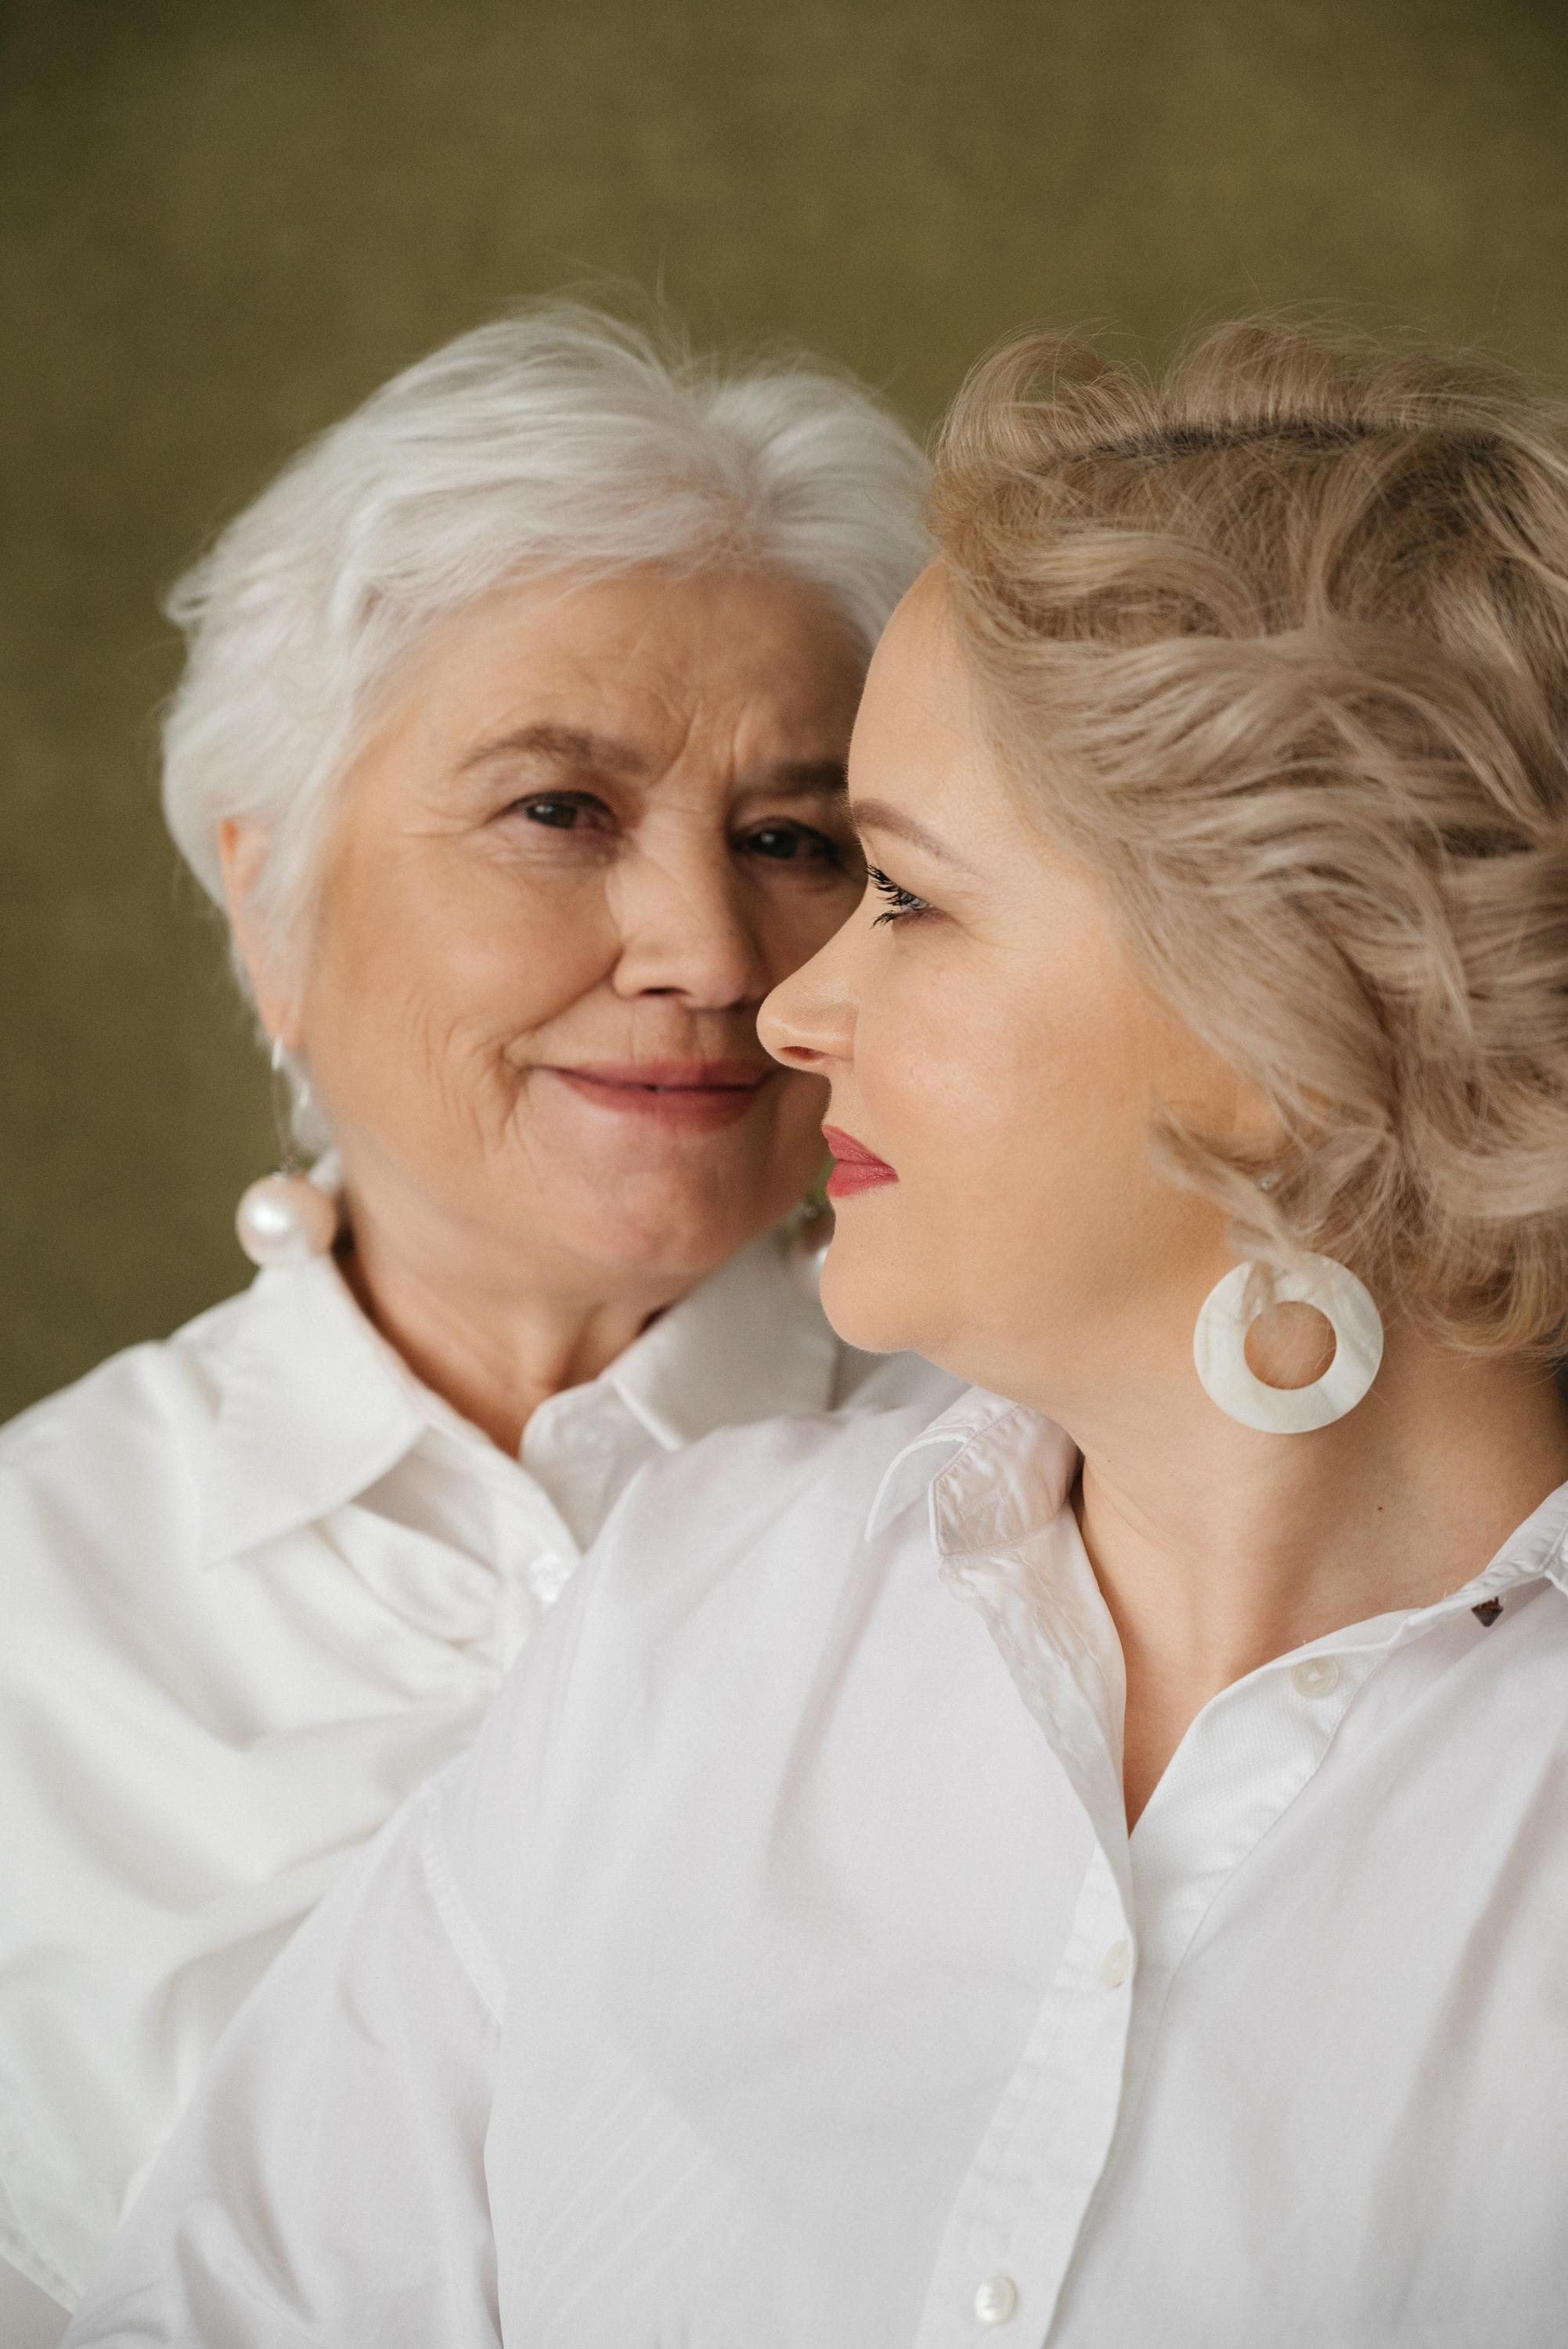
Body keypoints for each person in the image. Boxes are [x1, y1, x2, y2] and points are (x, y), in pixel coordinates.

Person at [65, 318, 1568, 2348]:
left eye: (870, 879)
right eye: (554, 810)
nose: (755, 987)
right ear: (264, 895)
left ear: (1304, 995)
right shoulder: (696, 1607)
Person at [0, 304, 957, 2327]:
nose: (707, 949)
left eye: (793, 840)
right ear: (266, 900)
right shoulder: (33, 1595)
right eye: (556, 811)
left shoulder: (1086, 1495)